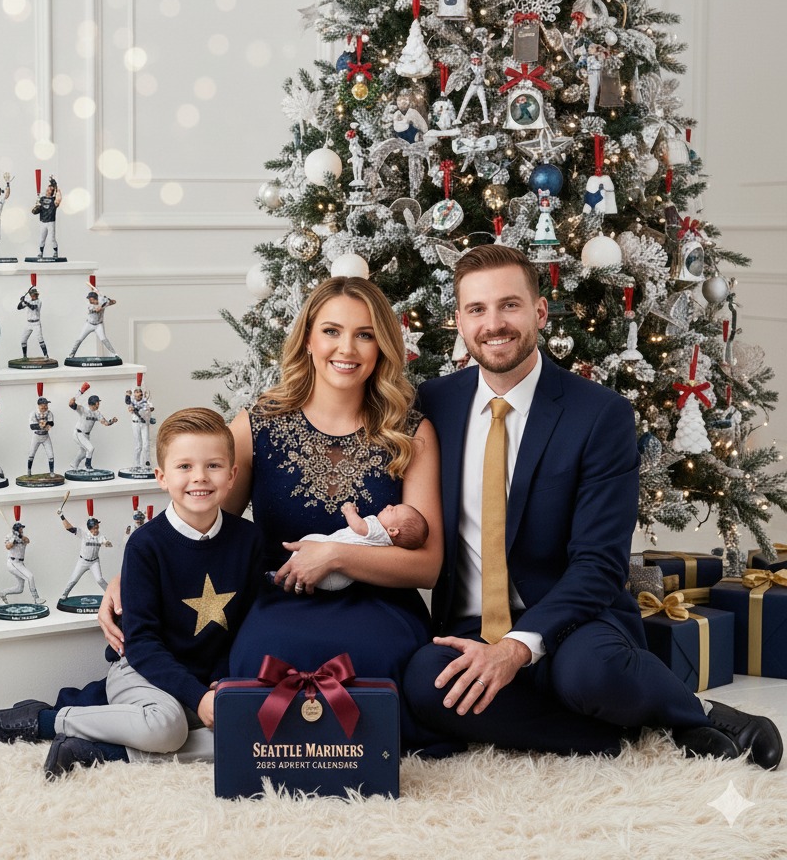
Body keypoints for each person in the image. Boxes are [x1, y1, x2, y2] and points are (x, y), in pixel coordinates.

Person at [402, 244, 782, 768]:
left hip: (575, 623)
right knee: (425, 681)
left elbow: (599, 564)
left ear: (539, 312)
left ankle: (699, 711)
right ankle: (611, 734)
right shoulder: (434, 403)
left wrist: (516, 647)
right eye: (477, 309)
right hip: (472, 625)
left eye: (509, 305)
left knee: (590, 674)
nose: (494, 324)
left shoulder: (599, 414)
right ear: (460, 322)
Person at [101, 277, 442, 749]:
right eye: (331, 331)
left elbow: (427, 567)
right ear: (308, 339)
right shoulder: (258, 425)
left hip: (380, 605)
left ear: (382, 345)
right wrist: (130, 580)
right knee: (264, 658)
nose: (347, 348)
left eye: (364, 334)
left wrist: (336, 556)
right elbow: (200, 522)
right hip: (280, 600)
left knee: (374, 658)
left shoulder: (410, 432)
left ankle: (362, 749)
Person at [0, 408, 262, 779]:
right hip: (142, 669)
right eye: (184, 466)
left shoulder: (249, 540)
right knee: (167, 727)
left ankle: (102, 751)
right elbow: (142, 645)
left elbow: (248, 626)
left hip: (203, 679)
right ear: (161, 477)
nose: (199, 477)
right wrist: (197, 697)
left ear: (232, 476)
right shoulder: (146, 545)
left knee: (250, 732)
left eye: (213, 466)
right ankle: (43, 721)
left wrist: (220, 686)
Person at [277, 501, 429, 591]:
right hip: (342, 579)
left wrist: (349, 512)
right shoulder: (386, 544)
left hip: (330, 569)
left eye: (393, 510)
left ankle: (289, 576)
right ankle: (294, 579)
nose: (389, 506)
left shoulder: (377, 529)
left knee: (310, 540)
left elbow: (359, 526)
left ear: (393, 531)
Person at [58, 513, 111, 600]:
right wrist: (61, 516)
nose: (97, 529)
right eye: (95, 528)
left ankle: (110, 594)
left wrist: (107, 543)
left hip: (94, 562)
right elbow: (69, 528)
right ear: (90, 528)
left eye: (97, 527)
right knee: (73, 579)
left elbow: (105, 542)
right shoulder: (84, 534)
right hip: (83, 561)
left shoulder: (101, 536)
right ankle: (64, 594)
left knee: (99, 579)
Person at [70, 392, 118, 470]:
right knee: (90, 449)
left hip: (86, 435)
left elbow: (105, 423)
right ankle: (87, 466)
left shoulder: (97, 413)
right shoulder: (83, 409)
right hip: (79, 433)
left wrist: (112, 421)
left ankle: (74, 464)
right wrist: (76, 396)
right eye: (97, 403)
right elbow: (71, 404)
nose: (98, 405)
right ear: (93, 404)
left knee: (83, 453)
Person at [0, 522, 45, 606]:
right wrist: (13, 539)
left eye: (22, 528)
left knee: (20, 589)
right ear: (16, 529)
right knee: (30, 576)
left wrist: (19, 536)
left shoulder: (23, 537)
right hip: (13, 562)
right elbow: (8, 547)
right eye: (20, 528)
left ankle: (3, 593)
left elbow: (28, 540)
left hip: (20, 563)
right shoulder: (9, 536)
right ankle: (36, 598)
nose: (22, 530)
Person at [68, 290, 120, 360]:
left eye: (91, 299)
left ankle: (115, 354)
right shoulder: (89, 305)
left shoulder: (102, 302)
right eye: (89, 299)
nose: (90, 300)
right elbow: (97, 310)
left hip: (99, 325)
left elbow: (114, 302)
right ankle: (71, 354)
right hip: (89, 324)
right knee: (79, 339)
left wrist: (109, 300)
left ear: (95, 299)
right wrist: (102, 305)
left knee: (104, 339)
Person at [17, 286, 50, 360]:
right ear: (31, 295)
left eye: (36, 294)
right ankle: (24, 356)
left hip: (36, 323)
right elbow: (18, 307)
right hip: (28, 324)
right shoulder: (28, 301)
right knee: (23, 340)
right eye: (33, 294)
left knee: (40, 339)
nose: (35, 295)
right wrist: (21, 301)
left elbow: (33, 307)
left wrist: (25, 301)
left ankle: (46, 356)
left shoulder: (39, 301)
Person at [33, 176, 62, 259]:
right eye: (48, 188)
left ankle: (55, 252)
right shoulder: (41, 199)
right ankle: (40, 252)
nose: (47, 190)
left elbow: (58, 198)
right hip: (43, 221)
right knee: (41, 239)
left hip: (50, 221)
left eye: (50, 189)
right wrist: (36, 207)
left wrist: (56, 186)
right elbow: (35, 210)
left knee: (52, 238)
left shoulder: (54, 200)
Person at [26, 396, 56, 476]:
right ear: (39, 405)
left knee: (51, 455)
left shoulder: (49, 413)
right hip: (36, 436)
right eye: (43, 405)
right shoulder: (34, 413)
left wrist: (45, 424)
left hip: (45, 436)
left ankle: (51, 472)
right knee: (31, 454)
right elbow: (32, 426)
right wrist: (40, 426)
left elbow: (51, 423)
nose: (45, 407)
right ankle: (29, 471)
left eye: (46, 405)